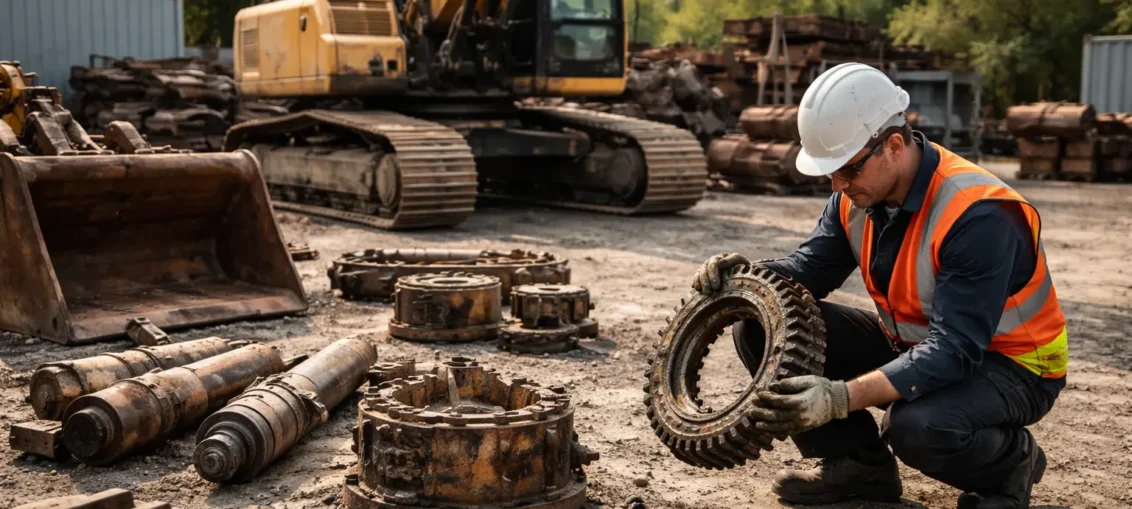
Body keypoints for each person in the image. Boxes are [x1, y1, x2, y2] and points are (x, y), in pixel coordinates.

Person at [692, 63, 1068, 509]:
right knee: (760, 324)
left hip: (1012, 366)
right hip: (919, 345)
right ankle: (857, 469)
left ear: (893, 144)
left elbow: (955, 351)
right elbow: (809, 269)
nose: (837, 185)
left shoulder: (978, 214)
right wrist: (746, 277)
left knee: (913, 426)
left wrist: (839, 398)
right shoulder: (856, 195)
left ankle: (1010, 466)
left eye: (847, 170)